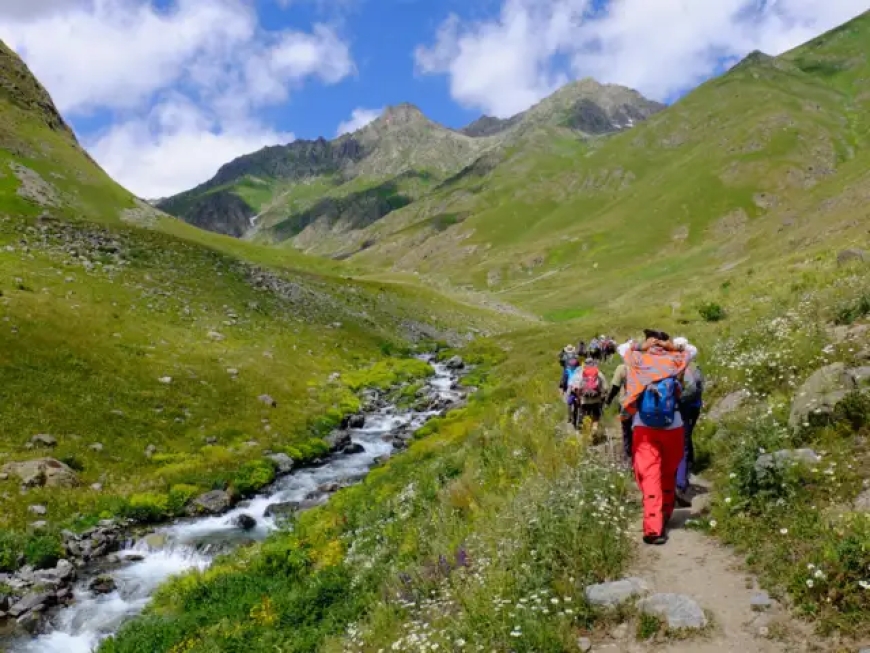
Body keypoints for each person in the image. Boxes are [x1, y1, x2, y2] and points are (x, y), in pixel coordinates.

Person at [618, 330, 697, 546]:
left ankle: (653, 528)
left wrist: (641, 346)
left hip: (644, 427)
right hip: (674, 426)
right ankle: (666, 512)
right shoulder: (676, 359)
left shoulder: (637, 359)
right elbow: (692, 349)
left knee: (650, 474)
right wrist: (672, 347)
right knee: (668, 472)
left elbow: (622, 348)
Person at [675, 336, 704, 505]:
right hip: (688, 409)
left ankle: (673, 485)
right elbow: (696, 387)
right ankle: (681, 484)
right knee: (683, 445)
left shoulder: (667, 365)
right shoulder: (692, 367)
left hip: (669, 412)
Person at [571, 357, 607, 439]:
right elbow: (605, 387)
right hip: (596, 399)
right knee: (596, 416)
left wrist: (579, 398)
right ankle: (594, 429)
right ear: (593, 364)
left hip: (584, 400)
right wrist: (602, 395)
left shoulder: (581, 374)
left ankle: (586, 435)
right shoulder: (598, 373)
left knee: (585, 416)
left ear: (585, 365)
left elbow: (577, 388)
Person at [605, 362, 632, 465]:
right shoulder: (646, 365)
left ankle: (627, 459)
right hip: (642, 406)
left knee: (626, 432)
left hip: (626, 404)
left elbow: (615, 387)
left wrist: (608, 401)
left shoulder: (622, 368)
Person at [559, 358, 582, 426]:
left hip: (571, 391)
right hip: (579, 391)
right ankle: (579, 419)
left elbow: (563, 382)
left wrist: (562, 390)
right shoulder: (581, 371)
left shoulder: (567, 371)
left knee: (569, 404)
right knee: (578, 406)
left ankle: (569, 417)